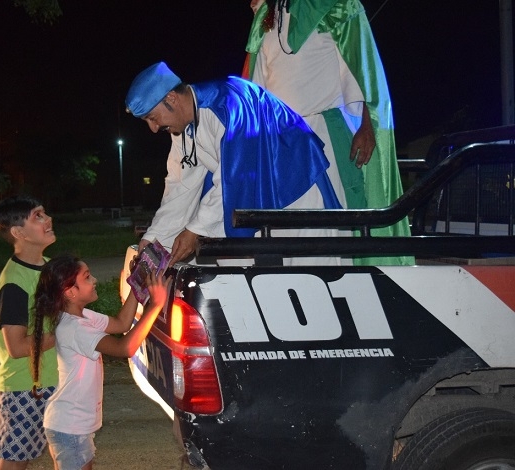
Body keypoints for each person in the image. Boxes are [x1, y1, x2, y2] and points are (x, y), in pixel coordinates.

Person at [243, 0, 413, 265]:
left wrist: (367, 126)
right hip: (281, 146)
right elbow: (257, 90)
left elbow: (361, 70)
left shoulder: (334, 5)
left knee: (324, 232)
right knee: (283, 232)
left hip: (322, 138)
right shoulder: (266, 17)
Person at [125, 61, 344, 266]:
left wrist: (195, 230)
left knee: (310, 274)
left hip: (296, 189)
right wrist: (155, 238)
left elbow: (235, 179)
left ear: (171, 98)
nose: (153, 128)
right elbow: (180, 189)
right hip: (262, 197)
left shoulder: (229, 104)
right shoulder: (182, 131)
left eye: (152, 117)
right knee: (269, 279)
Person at [31, 254, 171, 470]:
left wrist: (137, 284)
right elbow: (125, 348)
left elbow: (121, 323)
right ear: (70, 292)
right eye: (87, 277)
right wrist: (155, 305)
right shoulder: (75, 328)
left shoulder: (82, 317)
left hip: (72, 425)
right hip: (70, 426)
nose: (94, 280)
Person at [0, 195, 58, 470]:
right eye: (38, 216)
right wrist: (65, 335)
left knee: (66, 452)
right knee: (15, 462)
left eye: (45, 213)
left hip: (53, 380)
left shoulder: (50, 267)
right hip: (24, 389)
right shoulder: (14, 284)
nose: (48, 219)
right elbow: (17, 347)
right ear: (19, 233)